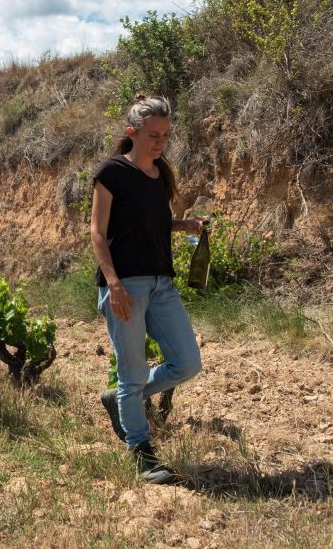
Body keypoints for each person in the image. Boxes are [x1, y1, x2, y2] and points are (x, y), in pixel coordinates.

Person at [91, 94, 204, 485]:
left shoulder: (161, 174)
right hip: (126, 286)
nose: (161, 142)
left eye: (166, 135)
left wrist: (182, 226)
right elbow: (98, 233)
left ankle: (122, 400)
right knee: (132, 372)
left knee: (188, 363)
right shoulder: (111, 173)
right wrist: (114, 283)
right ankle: (141, 451)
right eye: (154, 135)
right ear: (131, 133)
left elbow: (149, 225)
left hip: (162, 283)